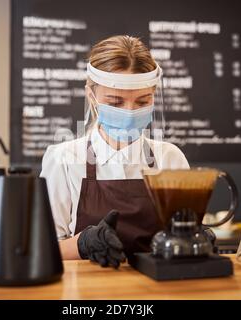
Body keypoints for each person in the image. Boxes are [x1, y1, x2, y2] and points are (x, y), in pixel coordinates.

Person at [40, 35, 190, 268]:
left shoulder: (170, 158)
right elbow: (42, 250)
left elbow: (183, 240)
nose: (130, 112)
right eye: (115, 102)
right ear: (92, 97)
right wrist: (82, 244)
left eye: (142, 102)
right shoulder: (63, 159)